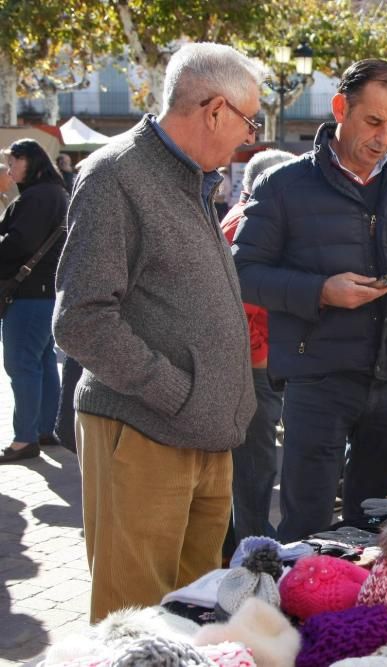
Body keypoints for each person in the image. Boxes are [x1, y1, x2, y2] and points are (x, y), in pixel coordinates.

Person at [53, 43, 261, 621]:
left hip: (203, 435)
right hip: (146, 431)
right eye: (249, 121)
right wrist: (178, 393)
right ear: (216, 109)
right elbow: (80, 320)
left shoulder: (193, 179)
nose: (249, 136)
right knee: (135, 619)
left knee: (193, 616)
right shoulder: (116, 175)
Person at [233, 59, 387, 540]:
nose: (384, 138)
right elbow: (242, 272)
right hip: (317, 380)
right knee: (307, 527)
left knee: (375, 526)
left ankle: (361, 616)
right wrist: (321, 291)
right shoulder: (284, 186)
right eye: (373, 122)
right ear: (341, 108)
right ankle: (296, 611)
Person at [219, 148, 296, 553]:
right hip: (253, 365)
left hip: (259, 361)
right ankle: (249, 549)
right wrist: (261, 358)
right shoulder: (246, 221)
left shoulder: (247, 215)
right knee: (254, 464)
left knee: (256, 462)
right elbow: (240, 302)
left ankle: (245, 539)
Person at [0, 140, 68, 463]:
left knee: (21, 363)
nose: (10, 168)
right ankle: (43, 429)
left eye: (13, 161)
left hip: (29, 293)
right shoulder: (55, 193)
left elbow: (19, 243)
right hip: (47, 292)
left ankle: (24, 439)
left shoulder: (37, 197)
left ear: (31, 161)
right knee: (41, 361)